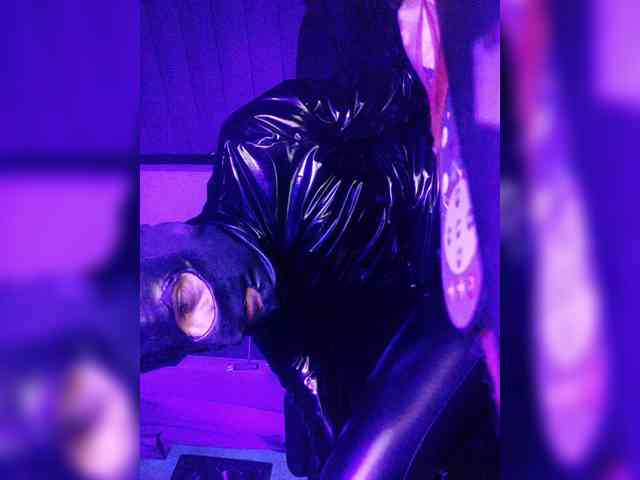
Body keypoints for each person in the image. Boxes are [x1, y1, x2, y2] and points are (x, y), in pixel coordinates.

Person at [141, 1, 497, 478]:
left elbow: (388, 96)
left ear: (176, 236)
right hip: (433, 303)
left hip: (442, 191)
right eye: (194, 341)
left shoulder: (258, 141)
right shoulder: (268, 319)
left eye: (186, 299)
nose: (222, 323)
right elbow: (311, 390)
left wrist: (460, 93)